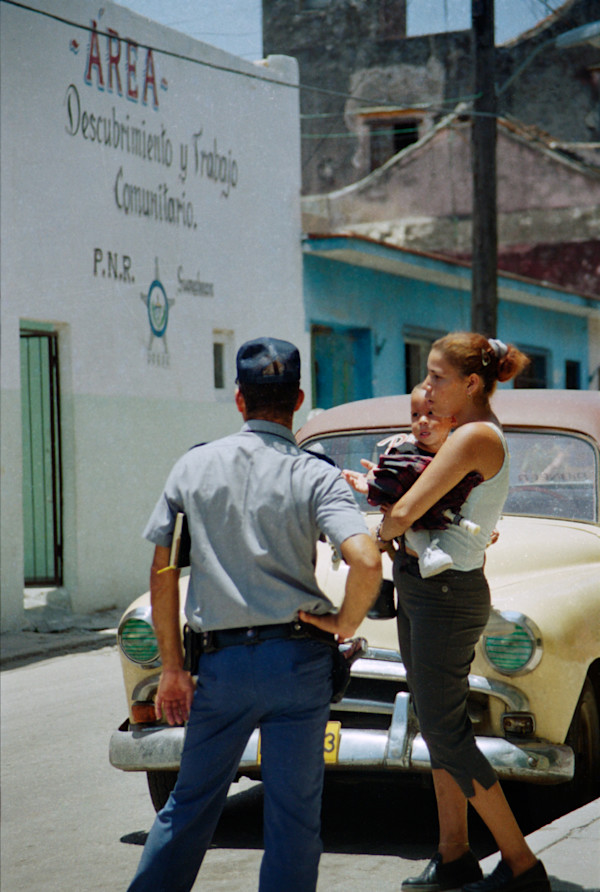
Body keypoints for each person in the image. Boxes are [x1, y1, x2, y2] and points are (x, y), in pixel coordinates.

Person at [127, 336, 382, 892]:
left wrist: (172, 669)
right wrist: (344, 624)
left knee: (189, 804)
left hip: (221, 667)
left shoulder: (193, 468)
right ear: (299, 400)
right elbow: (366, 561)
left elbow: (163, 572)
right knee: (293, 820)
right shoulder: (316, 474)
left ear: (240, 400)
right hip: (297, 664)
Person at [336, 333, 550, 892]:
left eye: (437, 377)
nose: (426, 389)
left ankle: (523, 865)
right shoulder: (462, 433)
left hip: (446, 596)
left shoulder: (475, 435)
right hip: (425, 587)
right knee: (437, 727)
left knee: (447, 734)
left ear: (472, 383)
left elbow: (407, 509)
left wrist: (380, 532)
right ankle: (453, 854)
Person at [344, 385, 483, 578]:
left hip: (457, 549)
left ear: (452, 418)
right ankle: (427, 553)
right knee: (407, 512)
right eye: (415, 415)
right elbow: (391, 484)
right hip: (414, 560)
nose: (422, 421)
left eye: (431, 413)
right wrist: (371, 485)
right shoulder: (405, 454)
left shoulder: (458, 454)